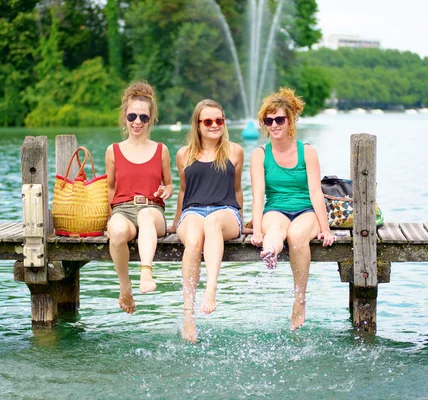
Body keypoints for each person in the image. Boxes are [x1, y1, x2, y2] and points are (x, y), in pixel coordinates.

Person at [250, 87, 335, 332]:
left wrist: (326, 228)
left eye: (279, 119)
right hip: (275, 208)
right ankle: (270, 252)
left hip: (305, 210)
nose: (274, 125)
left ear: (290, 121)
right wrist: (257, 230)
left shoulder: (306, 151)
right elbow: (258, 196)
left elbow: (316, 192)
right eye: (269, 120)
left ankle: (299, 300)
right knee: (275, 233)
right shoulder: (260, 154)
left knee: (297, 237)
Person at [168, 99, 244, 342]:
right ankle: (188, 313)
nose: (214, 125)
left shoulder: (234, 151)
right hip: (193, 212)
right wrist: (175, 221)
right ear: (198, 125)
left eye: (219, 120)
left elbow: (237, 189)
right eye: (208, 121)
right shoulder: (184, 154)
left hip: (226, 212)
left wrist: (243, 219)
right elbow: (182, 191)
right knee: (192, 241)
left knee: (212, 223)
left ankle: (211, 289)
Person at [106, 81, 173, 314]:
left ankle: (146, 270)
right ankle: (125, 287)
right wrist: (110, 217)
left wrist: (167, 191)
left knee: (145, 215)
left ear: (150, 119)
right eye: (133, 116)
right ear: (125, 116)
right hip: (123, 210)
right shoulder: (113, 150)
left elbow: (169, 184)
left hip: (152, 211)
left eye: (143, 117)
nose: (137, 122)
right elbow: (110, 189)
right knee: (115, 231)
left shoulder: (160, 149)